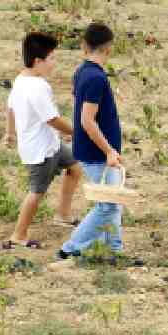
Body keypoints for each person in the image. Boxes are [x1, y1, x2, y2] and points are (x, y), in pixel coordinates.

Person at [3, 32, 83, 248]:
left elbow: (10, 107)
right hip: (40, 151)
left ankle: (63, 215)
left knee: (75, 168)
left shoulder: (22, 79)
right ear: (38, 61)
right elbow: (52, 119)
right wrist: (77, 133)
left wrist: (10, 133)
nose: (54, 64)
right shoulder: (37, 87)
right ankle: (19, 235)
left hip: (51, 144)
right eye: (52, 58)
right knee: (37, 192)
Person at [59, 23, 126, 261]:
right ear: (109, 48)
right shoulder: (96, 78)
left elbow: (79, 108)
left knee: (113, 201)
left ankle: (115, 250)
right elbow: (87, 120)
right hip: (97, 152)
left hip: (92, 148)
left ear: (84, 46)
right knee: (107, 205)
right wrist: (108, 150)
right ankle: (71, 247)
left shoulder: (81, 72)